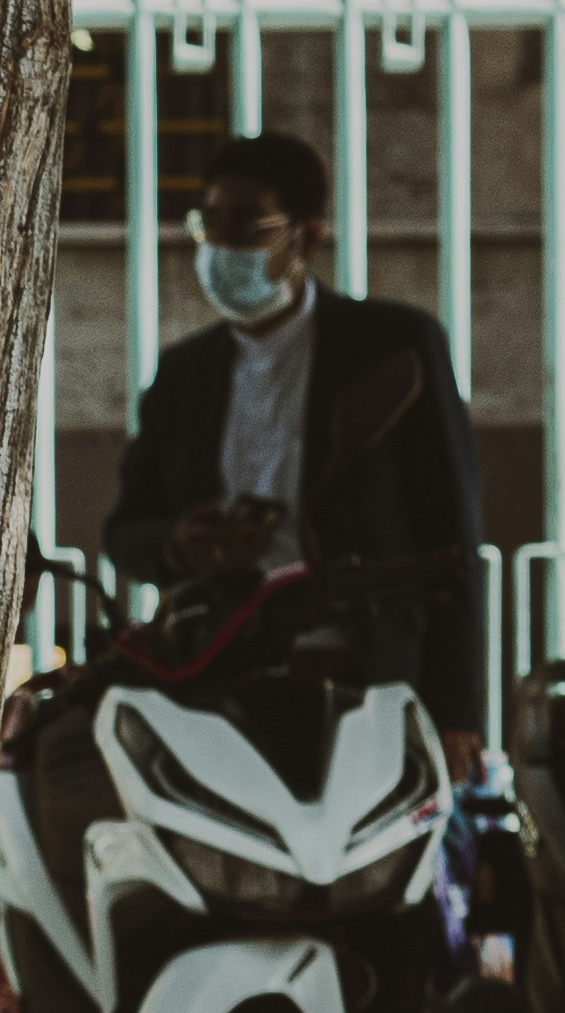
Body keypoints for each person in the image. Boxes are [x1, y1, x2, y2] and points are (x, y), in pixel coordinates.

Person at [99, 129, 488, 786]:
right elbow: (126, 531)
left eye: (247, 224)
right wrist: (182, 545)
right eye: (209, 223)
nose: (221, 246)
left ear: (305, 239)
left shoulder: (393, 350)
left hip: (365, 673)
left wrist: (457, 710)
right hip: (219, 675)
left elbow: (452, 535)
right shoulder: (183, 376)